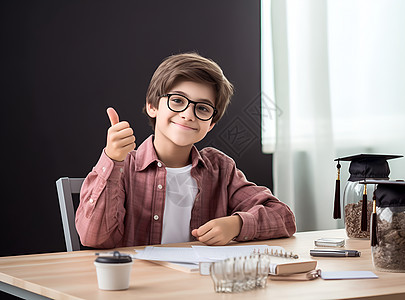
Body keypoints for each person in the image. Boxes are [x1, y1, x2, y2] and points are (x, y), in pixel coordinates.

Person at [75, 52, 296, 248]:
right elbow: (95, 238)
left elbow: (283, 217)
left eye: (202, 108)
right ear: (152, 106)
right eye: (178, 101)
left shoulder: (220, 169)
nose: (188, 114)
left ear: (211, 124)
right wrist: (112, 160)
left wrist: (236, 224)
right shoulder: (123, 167)